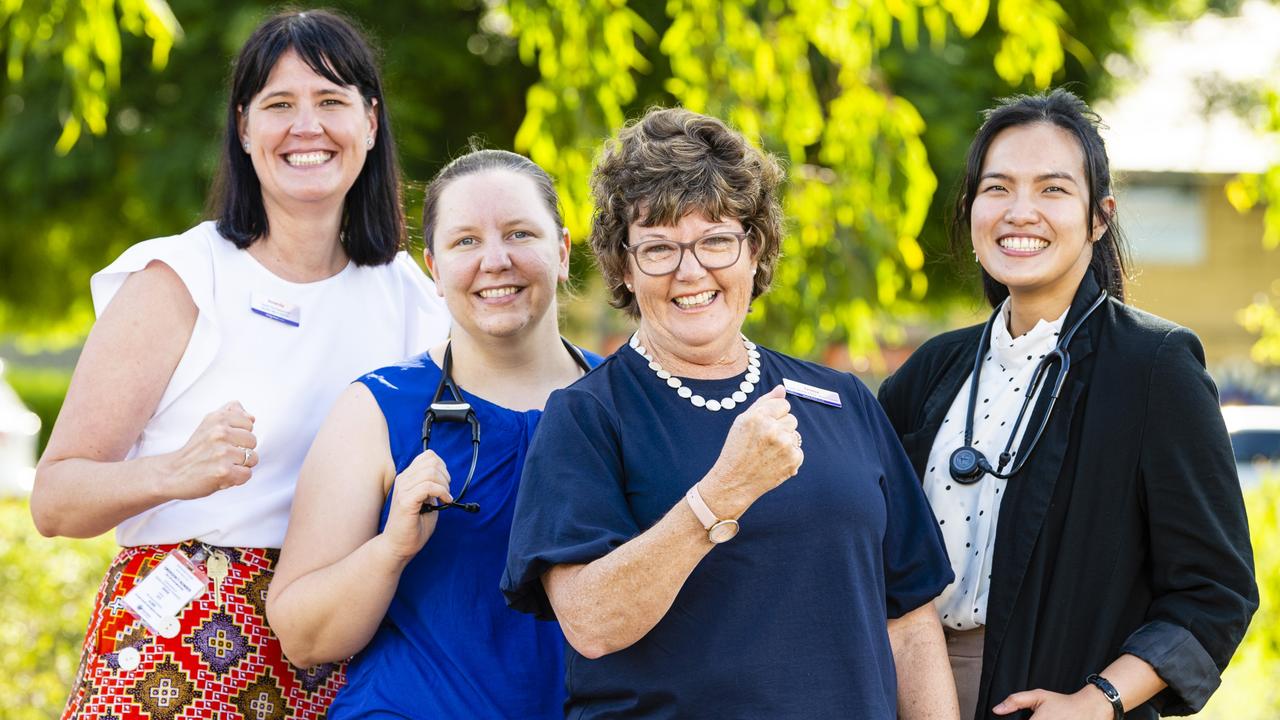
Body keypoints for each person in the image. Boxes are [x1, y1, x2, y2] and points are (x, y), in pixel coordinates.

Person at [31, 10, 450, 719]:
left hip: (340, 645)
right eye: (279, 105)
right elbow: (54, 499)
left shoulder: (414, 298)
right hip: (178, 644)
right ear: (245, 128)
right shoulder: (181, 278)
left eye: (331, 101)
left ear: (371, 124)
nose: (306, 126)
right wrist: (174, 472)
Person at [502, 107, 959, 719]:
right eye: (659, 248)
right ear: (625, 267)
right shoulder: (587, 416)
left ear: (756, 248)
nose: (692, 271)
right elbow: (591, 623)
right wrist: (721, 494)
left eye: (717, 239)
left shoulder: (842, 401)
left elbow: (909, 622)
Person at [876, 89, 1258, 720]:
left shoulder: (1153, 367)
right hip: (903, 693)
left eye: (1052, 190)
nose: (1019, 211)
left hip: (1053, 703)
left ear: (1099, 217)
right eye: (996, 189)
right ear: (971, 210)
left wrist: (1099, 699)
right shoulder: (930, 372)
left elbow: (1214, 591)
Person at [266, 148, 600, 718]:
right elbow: (303, 639)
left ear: (563, 252)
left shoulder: (623, 403)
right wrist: (390, 550)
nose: (495, 261)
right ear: (434, 270)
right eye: (465, 241)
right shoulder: (377, 409)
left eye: (520, 233)